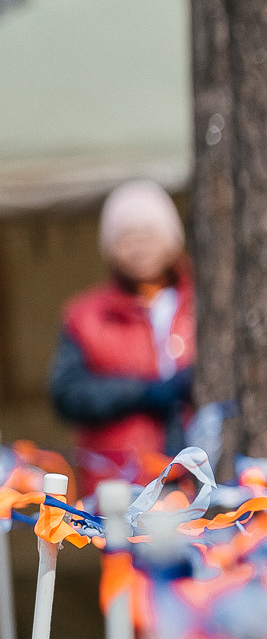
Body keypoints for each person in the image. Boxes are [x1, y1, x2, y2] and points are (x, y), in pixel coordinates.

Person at [52, 179, 195, 480]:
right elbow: (67, 394)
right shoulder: (86, 317)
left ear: (172, 239)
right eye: (126, 238)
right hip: (121, 485)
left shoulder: (204, 303)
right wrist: (142, 392)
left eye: (149, 235)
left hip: (198, 478)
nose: (139, 248)